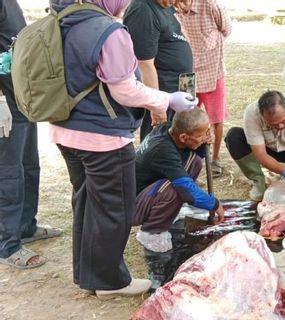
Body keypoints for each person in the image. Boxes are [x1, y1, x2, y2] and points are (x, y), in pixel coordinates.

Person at [49, 0, 197, 299]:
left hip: (64, 130)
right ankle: (110, 282)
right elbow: (124, 89)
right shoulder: (108, 30)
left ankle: (89, 275)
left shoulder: (63, 21)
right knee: (115, 208)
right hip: (102, 136)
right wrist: (166, 100)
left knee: (88, 204)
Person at [0, 0, 63, 270]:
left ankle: (26, 225)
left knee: (29, 165)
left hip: (22, 98)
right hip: (4, 100)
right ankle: (7, 243)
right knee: (9, 171)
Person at [134, 108, 224, 252]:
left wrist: (202, 143)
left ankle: (170, 212)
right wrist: (214, 204)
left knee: (193, 161)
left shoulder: (169, 130)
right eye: (201, 135)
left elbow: (190, 154)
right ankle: (151, 232)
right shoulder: (162, 149)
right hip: (131, 206)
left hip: (148, 191)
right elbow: (187, 190)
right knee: (176, 189)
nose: (204, 137)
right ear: (183, 137)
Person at [176, 0, 232, 178]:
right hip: (186, 69)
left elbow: (227, 29)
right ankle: (185, 158)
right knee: (184, 116)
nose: (181, 5)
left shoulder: (210, 5)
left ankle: (215, 158)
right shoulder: (170, 6)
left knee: (216, 118)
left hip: (213, 69)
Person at [123, 0, 193, 142]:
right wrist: (156, 106)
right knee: (160, 145)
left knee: (182, 144)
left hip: (182, 87)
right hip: (164, 93)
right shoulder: (143, 9)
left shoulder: (166, 6)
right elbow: (144, 63)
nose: (174, 2)